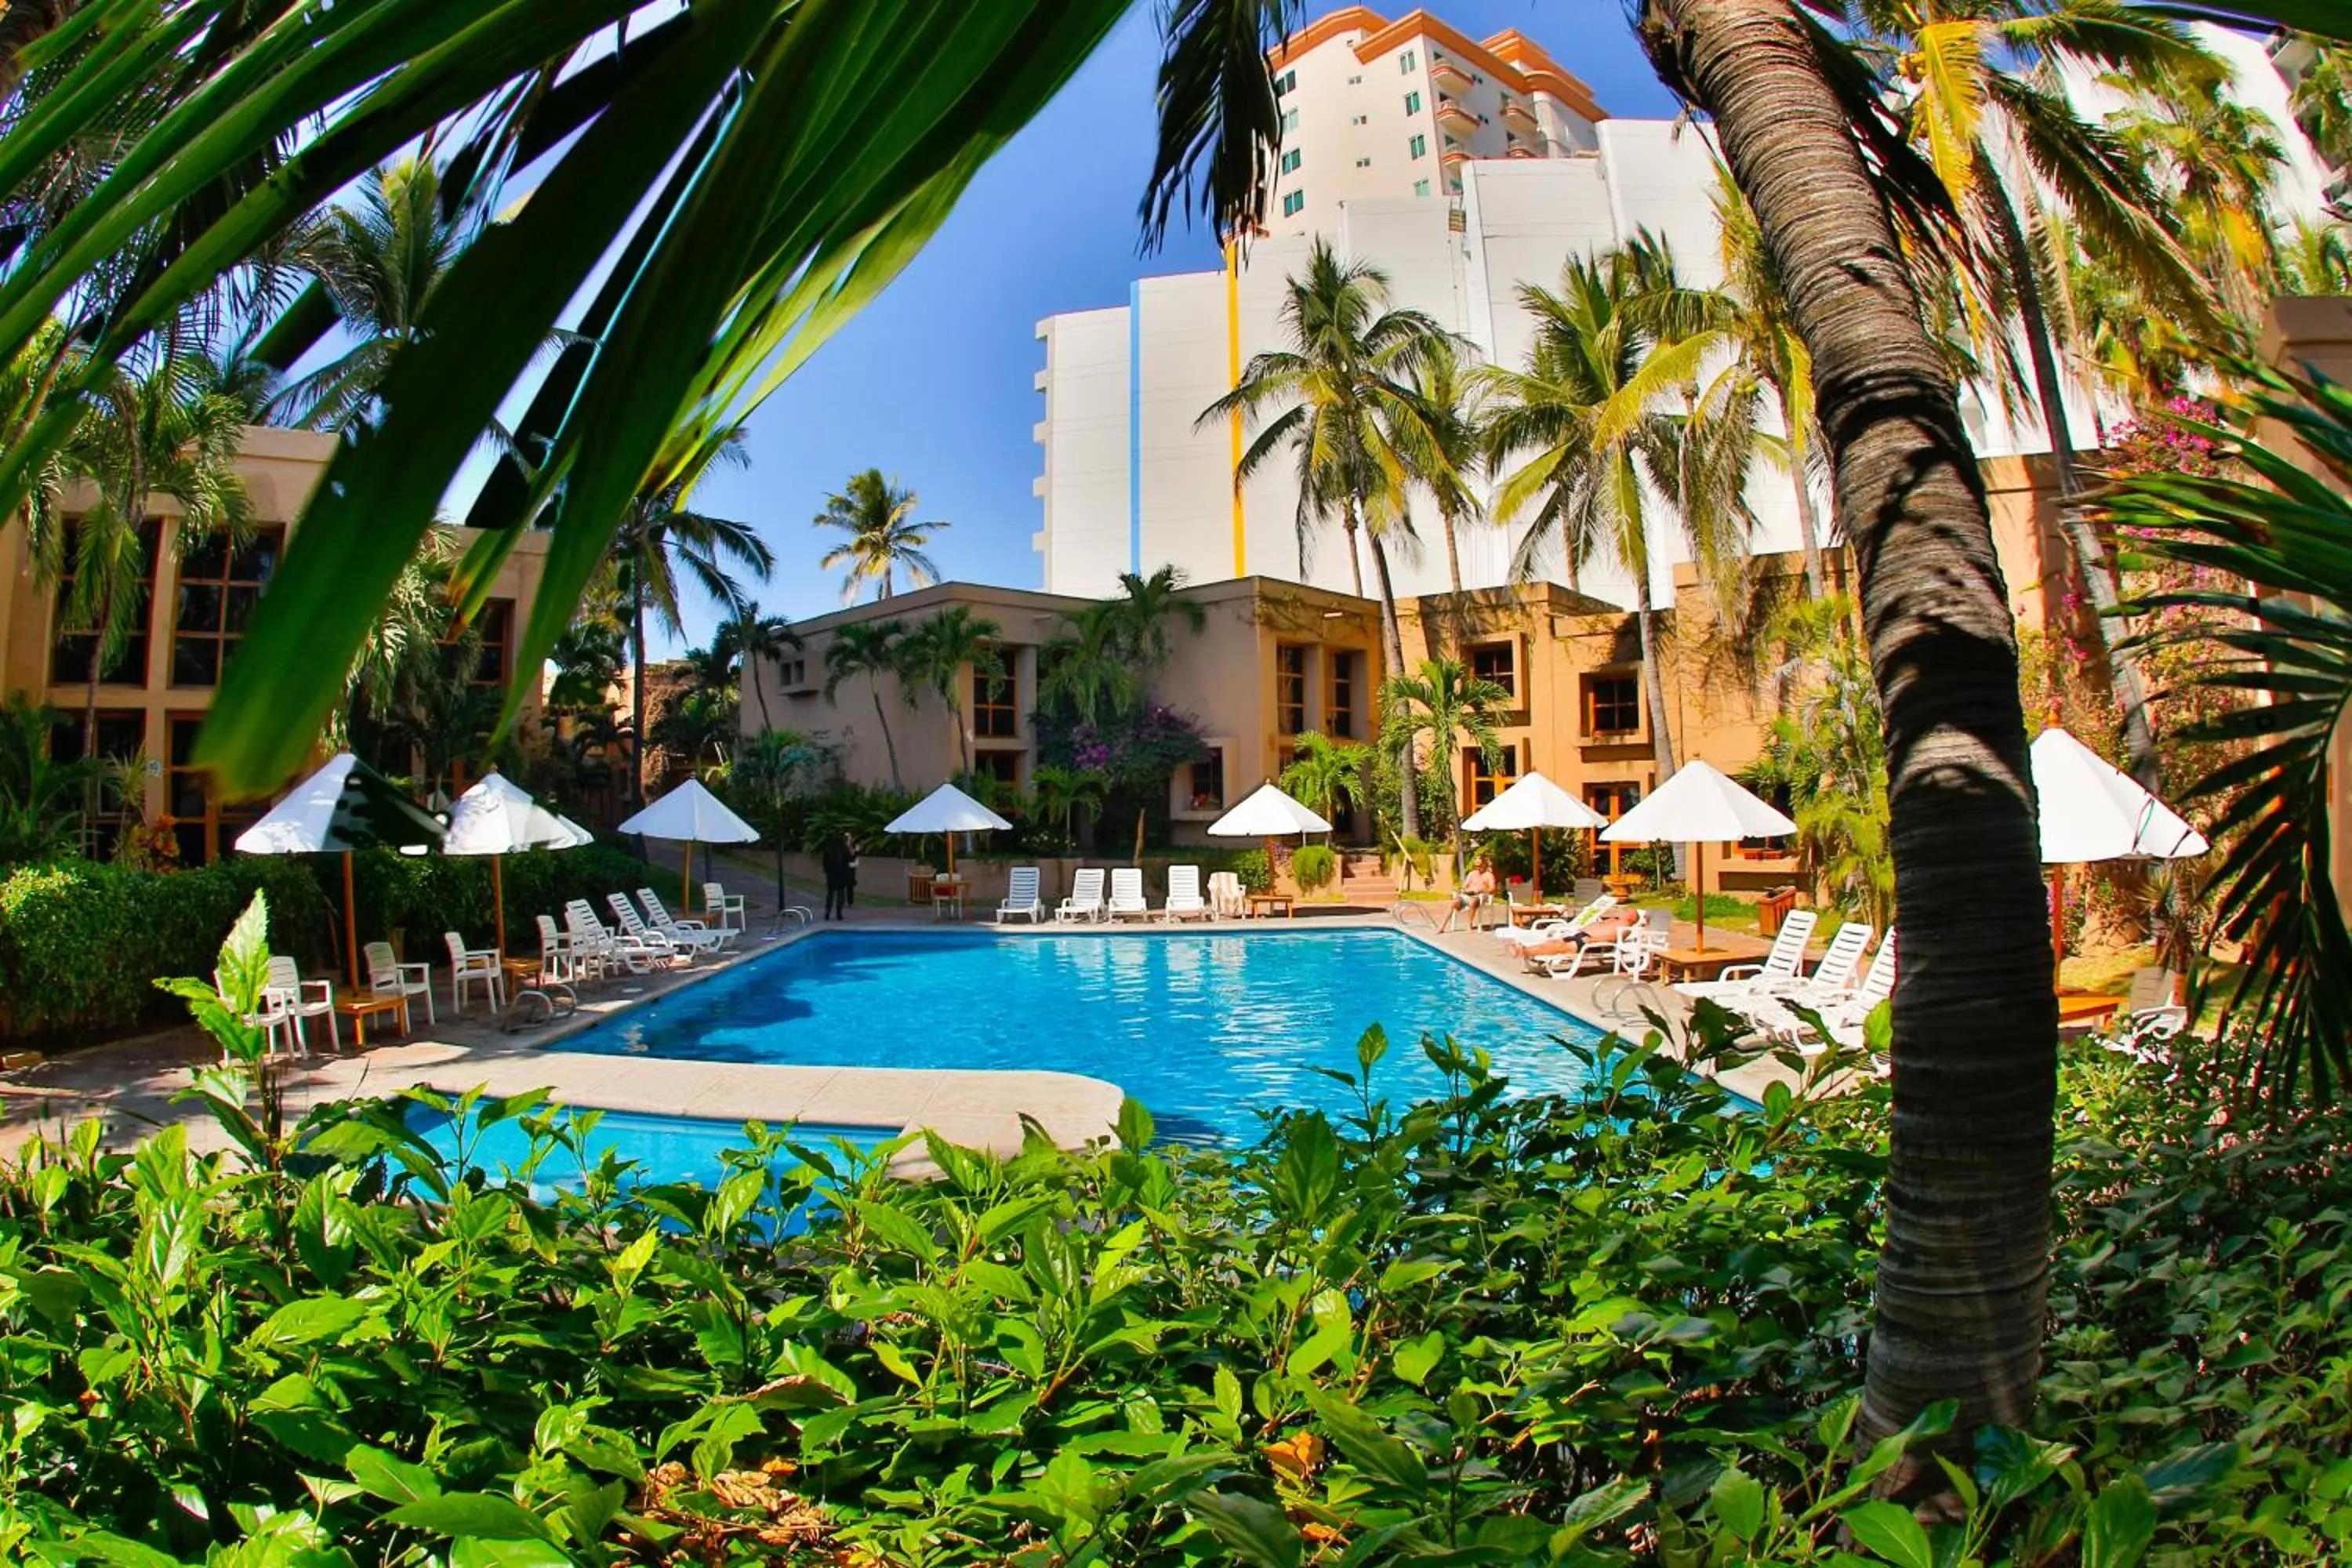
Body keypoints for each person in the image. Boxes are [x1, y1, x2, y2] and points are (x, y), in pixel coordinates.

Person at [1443, 855, 1498, 933]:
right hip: (1468, 895)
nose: (1477, 867)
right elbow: (1465, 886)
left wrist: (1482, 890)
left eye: (1479, 865)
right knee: (1453, 902)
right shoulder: (1472, 874)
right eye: (1476, 866)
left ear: (1484, 864)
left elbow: (1493, 888)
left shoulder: (1489, 875)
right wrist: (1463, 890)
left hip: (1481, 896)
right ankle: (1442, 927)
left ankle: (1469, 924)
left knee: (1472, 901)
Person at [821, 832, 856, 920]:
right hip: (842, 874)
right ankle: (839, 913)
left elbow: (825, 862)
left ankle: (827, 913)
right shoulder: (844, 848)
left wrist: (827, 871)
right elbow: (849, 859)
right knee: (841, 894)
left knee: (830, 894)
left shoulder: (828, 848)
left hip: (831, 874)